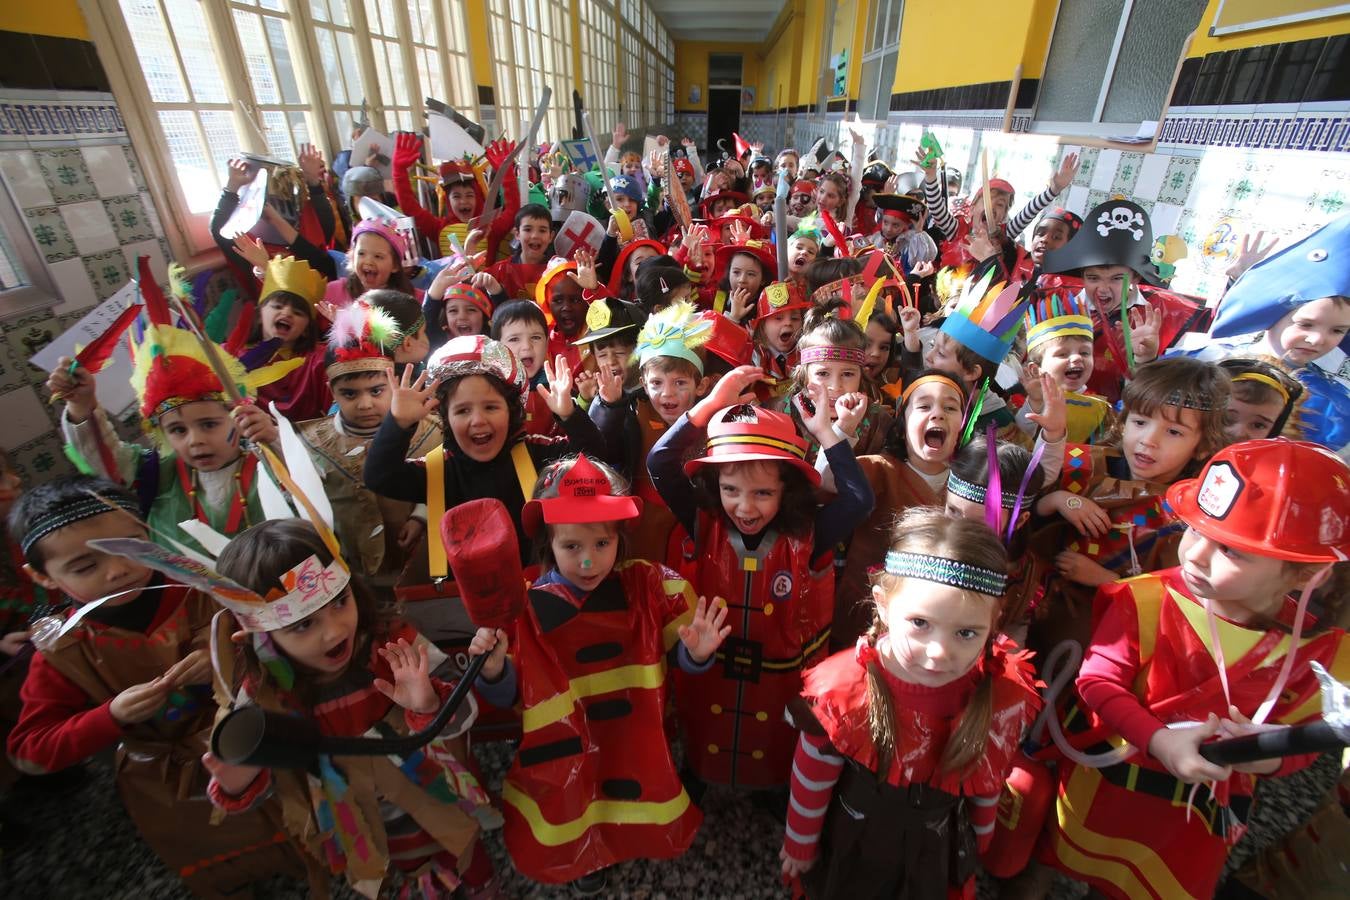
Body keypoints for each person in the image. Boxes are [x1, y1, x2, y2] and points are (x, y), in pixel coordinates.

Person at [1040, 439, 1350, 900]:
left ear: (1305, 574)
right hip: (1112, 783)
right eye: (1194, 531)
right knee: (1074, 860)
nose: (1195, 556)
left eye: (1232, 551)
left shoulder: (1319, 652)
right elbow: (1096, 681)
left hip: (1195, 812)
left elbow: (1309, 737)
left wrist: (1268, 757)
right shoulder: (1144, 600)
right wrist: (1159, 739)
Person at [7, 476, 308, 897]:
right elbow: (30, 752)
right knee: (221, 851)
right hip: (164, 779)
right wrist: (108, 716)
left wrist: (226, 656)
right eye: (86, 566)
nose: (118, 570)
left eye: (130, 546)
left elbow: (286, 641)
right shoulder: (62, 651)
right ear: (41, 576)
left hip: (254, 740)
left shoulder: (202, 587)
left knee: (300, 823)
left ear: (146, 531)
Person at [469, 455, 728, 894]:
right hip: (563, 751)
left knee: (631, 793)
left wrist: (696, 654)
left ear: (618, 539)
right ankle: (584, 859)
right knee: (575, 807)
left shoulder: (650, 587)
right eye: (572, 547)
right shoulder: (525, 608)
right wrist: (492, 670)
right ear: (547, 543)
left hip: (633, 736)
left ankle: (624, 842)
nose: (588, 562)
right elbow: (510, 695)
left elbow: (679, 658)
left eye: (601, 545)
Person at [199, 519, 498, 898]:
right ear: (259, 638)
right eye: (304, 624)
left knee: (468, 855)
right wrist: (238, 780)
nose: (335, 630)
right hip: (359, 819)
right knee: (401, 872)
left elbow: (464, 714)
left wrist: (427, 703)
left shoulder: (393, 645)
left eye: (340, 601)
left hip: (437, 792)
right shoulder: (264, 697)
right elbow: (258, 790)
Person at [779, 508, 1040, 898]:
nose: (938, 653)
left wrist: (980, 835)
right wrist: (800, 843)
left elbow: (987, 779)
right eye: (920, 623)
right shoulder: (843, 693)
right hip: (857, 847)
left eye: (966, 633)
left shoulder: (999, 697)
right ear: (883, 604)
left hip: (937, 849)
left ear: (994, 623)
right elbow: (811, 777)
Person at [648, 366, 874, 789]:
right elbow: (659, 461)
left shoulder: (810, 535)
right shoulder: (704, 521)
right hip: (709, 668)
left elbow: (860, 499)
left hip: (779, 680)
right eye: (731, 490)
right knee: (704, 733)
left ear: (788, 491)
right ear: (715, 487)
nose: (745, 507)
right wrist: (711, 404)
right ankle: (698, 774)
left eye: (763, 493)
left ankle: (771, 789)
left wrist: (828, 434)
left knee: (775, 742)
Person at [51, 262, 286, 557]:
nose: (194, 440)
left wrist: (276, 440)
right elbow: (103, 458)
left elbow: (313, 487)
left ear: (238, 419)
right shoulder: (158, 473)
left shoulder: (266, 463)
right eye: (177, 430)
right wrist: (81, 404)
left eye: (209, 424)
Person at [363, 335, 607, 587]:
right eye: (462, 410)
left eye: (491, 407)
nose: (478, 420)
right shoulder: (439, 469)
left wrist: (568, 414)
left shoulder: (534, 452)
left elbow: (594, 456)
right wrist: (398, 424)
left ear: (512, 411)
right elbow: (379, 476)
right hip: (462, 604)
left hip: (536, 593)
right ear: (445, 416)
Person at [1030, 356, 1231, 649]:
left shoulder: (1192, 517)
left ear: (1203, 447)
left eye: (1173, 432)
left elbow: (1181, 602)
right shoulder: (1079, 466)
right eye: (1139, 422)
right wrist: (1057, 500)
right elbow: (1025, 530)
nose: (1148, 440)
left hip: (1116, 639)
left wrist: (1107, 580)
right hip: (1039, 614)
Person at [1178, 213, 1350, 459]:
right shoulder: (1209, 361)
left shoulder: (1336, 408)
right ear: (1272, 312)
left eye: (1337, 330)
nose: (1318, 339)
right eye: (1306, 324)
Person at [298, 302, 440, 580]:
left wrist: (421, 516)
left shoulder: (432, 432)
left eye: (376, 391)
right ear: (332, 391)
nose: (365, 404)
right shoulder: (309, 445)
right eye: (350, 394)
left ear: (394, 382)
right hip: (352, 575)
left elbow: (443, 483)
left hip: (421, 574)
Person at [590, 300, 712, 566]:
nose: (667, 393)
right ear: (643, 383)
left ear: (701, 385)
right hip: (643, 533)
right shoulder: (634, 414)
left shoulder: (712, 422)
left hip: (694, 532)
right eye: (657, 383)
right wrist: (608, 407)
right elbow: (602, 448)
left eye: (680, 382)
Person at [1017, 291, 1113, 444]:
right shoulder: (1034, 401)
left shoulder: (1102, 408)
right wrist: (1034, 402)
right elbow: (1021, 437)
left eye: (1084, 352)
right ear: (1036, 369)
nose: (1076, 357)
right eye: (1062, 354)